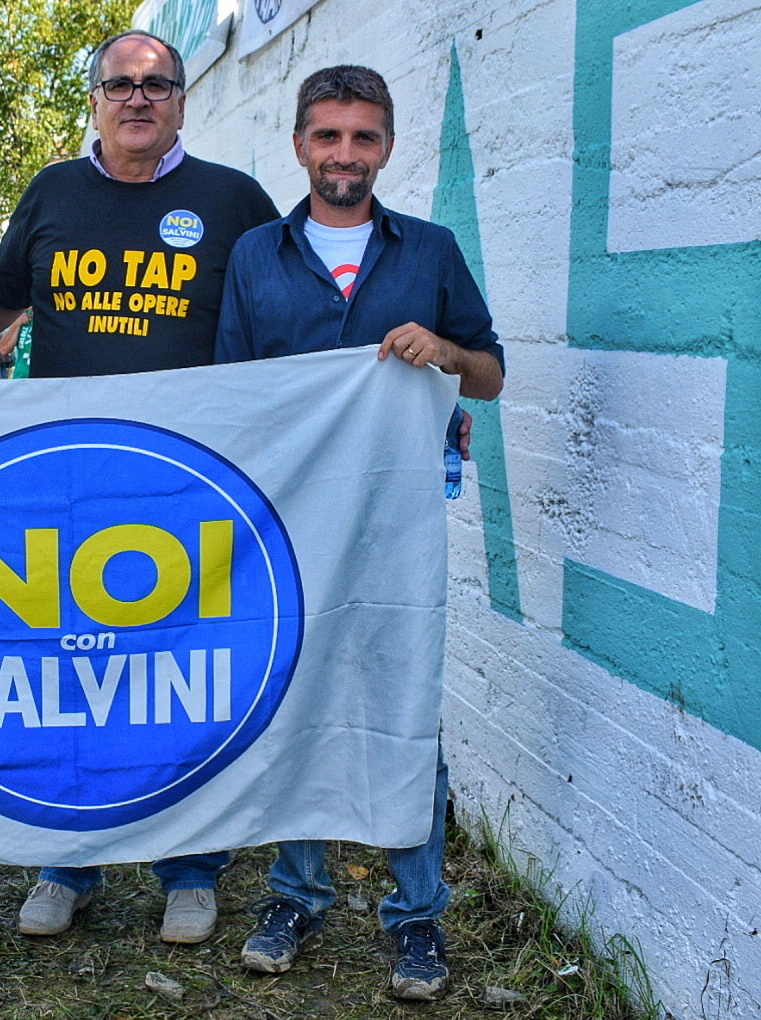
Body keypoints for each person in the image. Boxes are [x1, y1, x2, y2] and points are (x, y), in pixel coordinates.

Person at [0, 29, 281, 944]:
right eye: (121, 84)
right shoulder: (51, 193)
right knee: (75, 665)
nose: (138, 99)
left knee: (184, 675)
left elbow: (290, 309)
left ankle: (190, 869)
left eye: (157, 85)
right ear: (97, 99)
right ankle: (68, 864)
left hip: (192, 486)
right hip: (70, 483)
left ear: (183, 99)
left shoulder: (233, 200)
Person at [213, 65, 504, 999]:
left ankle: (416, 918)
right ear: (299, 143)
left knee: (402, 705)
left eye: (363, 138)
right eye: (327, 136)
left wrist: (447, 353)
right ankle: (295, 893)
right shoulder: (256, 254)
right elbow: (229, 392)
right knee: (296, 702)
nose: (345, 155)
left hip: (397, 527)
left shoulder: (429, 250)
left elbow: (490, 373)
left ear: (386, 145)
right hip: (289, 524)